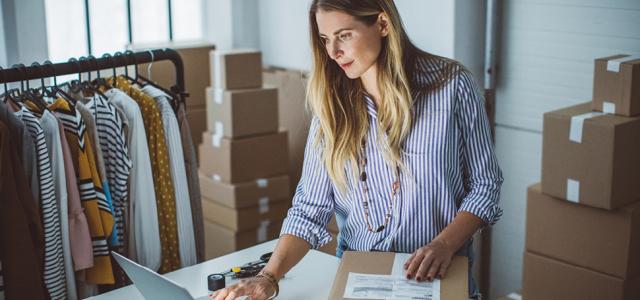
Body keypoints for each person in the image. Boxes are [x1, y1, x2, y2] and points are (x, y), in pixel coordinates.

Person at [211, 0, 503, 299]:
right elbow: (309, 211)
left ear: (383, 24)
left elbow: (486, 184)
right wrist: (268, 277)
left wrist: (444, 244)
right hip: (360, 282)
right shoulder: (331, 108)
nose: (333, 52)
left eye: (344, 35)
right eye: (325, 39)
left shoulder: (452, 86)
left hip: (438, 278)